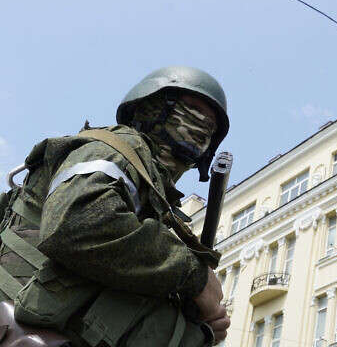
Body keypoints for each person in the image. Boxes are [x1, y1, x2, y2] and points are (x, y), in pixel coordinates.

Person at [0, 66, 231, 346]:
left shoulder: (155, 209)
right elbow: (78, 224)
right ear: (149, 107)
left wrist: (201, 325)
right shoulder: (116, 148)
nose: (198, 130)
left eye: (210, 127)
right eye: (190, 109)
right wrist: (194, 276)